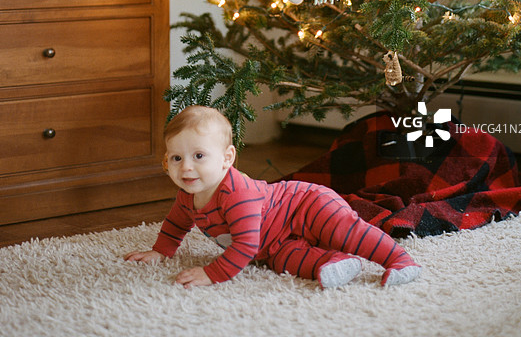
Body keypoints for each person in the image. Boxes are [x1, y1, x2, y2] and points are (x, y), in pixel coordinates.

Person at [125, 105, 421, 290]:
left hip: (305, 204)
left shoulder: (235, 194)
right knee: (285, 261)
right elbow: (175, 225)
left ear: (228, 158)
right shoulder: (187, 197)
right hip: (273, 242)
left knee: (344, 231)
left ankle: (399, 260)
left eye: (199, 155)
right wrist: (161, 251)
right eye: (176, 157)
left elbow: (245, 244)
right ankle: (335, 262)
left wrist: (212, 273)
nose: (186, 167)